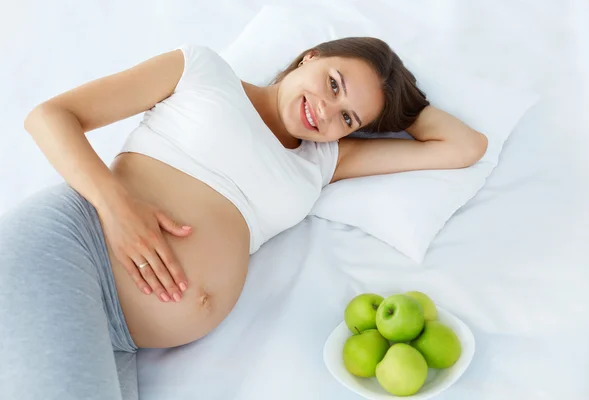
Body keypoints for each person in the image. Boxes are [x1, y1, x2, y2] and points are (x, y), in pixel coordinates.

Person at [0, 37, 487, 399]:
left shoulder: (323, 163)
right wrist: (118, 209)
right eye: (333, 84)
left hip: (127, 337)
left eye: (348, 117)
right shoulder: (203, 71)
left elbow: (465, 147)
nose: (327, 110)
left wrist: (397, 104)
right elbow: (50, 116)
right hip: (75, 250)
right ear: (309, 56)